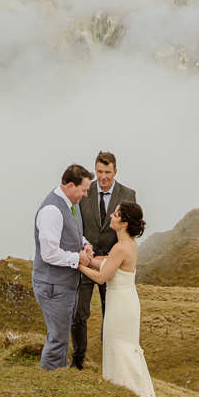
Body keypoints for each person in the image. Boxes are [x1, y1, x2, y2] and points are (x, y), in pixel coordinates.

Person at [78, 200, 157, 397]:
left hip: (120, 306)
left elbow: (102, 277)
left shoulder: (121, 247)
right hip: (126, 301)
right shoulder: (128, 244)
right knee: (124, 346)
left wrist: (78, 265)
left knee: (120, 347)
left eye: (115, 214)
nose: (111, 216)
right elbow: (107, 262)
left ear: (123, 222)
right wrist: (91, 259)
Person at [73, 151, 136, 369]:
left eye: (107, 172)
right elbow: (76, 225)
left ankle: (108, 362)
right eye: (99, 171)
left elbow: (131, 231)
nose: (103, 177)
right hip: (86, 259)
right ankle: (77, 359)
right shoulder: (84, 191)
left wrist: (113, 258)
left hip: (112, 266)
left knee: (111, 316)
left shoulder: (128, 194)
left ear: (115, 172)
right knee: (78, 312)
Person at [32, 164, 95, 370]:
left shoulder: (71, 202)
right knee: (58, 339)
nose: (85, 195)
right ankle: (50, 382)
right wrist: (77, 258)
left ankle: (54, 378)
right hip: (53, 285)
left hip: (63, 285)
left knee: (59, 335)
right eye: (84, 190)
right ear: (70, 186)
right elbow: (48, 252)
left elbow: (71, 232)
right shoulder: (51, 211)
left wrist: (84, 243)